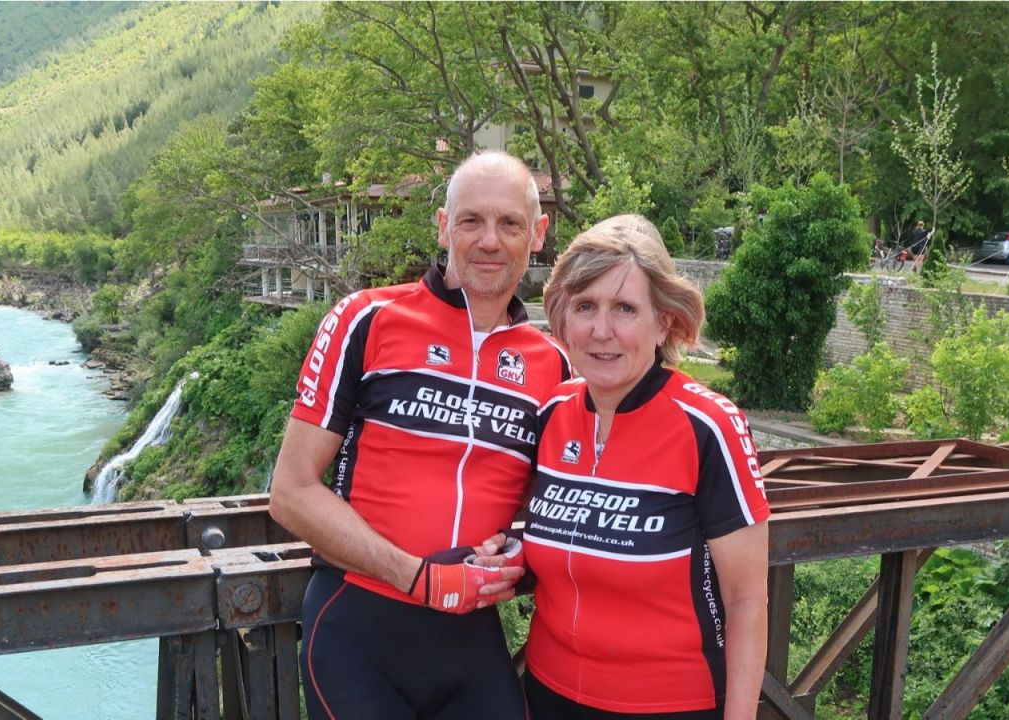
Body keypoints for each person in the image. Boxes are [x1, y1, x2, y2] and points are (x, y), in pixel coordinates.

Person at [268, 150, 572, 720]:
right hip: (358, 632)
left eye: (509, 223)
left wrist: (519, 553)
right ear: (442, 226)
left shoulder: (553, 364)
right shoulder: (365, 319)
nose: (489, 240)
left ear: (537, 234)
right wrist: (420, 579)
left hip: (472, 639)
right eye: (471, 220)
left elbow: (563, 508)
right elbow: (290, 493)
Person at [523, 216, 770, 720]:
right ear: (563, 319)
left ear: (663, 323)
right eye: (585, 306)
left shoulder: (708, 427)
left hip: (670, 703)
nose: (601, 330)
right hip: (548, 693)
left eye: (625, 309)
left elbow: (746, 599)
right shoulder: (550, 414)